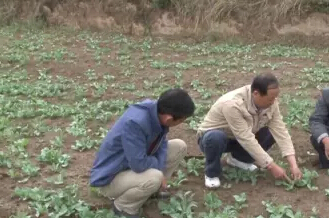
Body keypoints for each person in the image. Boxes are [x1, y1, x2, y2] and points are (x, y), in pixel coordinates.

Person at [89, 88, 195, 218]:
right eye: (181, 120)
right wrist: (159, 172)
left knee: (179, 146)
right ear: (169, 119)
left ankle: (154, 188)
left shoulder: (157, 112)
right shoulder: (135, 123)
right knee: (154, 176)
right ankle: (124, 207)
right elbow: (138, 164)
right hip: (111, 178)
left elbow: (161, 144)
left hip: (132, 165)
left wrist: (160, 168)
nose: (181, 123)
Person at [196, 73, 303, 188]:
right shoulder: (232, 104)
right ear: (256, 93)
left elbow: (280, 130)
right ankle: (211, 173)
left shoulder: (271, 103)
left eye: (275, 98)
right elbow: (245, 138)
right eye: (270, 99)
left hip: (240, 138)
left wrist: (293, 164)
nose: (273, 102)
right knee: (215, 137)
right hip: (213, 139)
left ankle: (238, 159)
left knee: (270, 133)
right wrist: (271, 165)